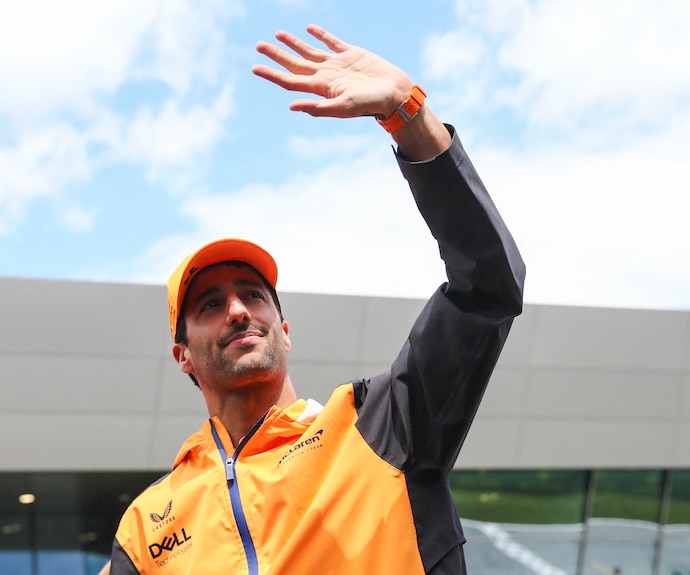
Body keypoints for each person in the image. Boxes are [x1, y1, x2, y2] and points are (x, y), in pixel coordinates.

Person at [106, 24, 525, 575]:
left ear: (284, 327)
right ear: (182, 354)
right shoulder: (146, 525)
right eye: (209, 304)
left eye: (253, 296)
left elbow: (488, 283)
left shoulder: (383, 424)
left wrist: (409, 116)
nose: (237, 310)